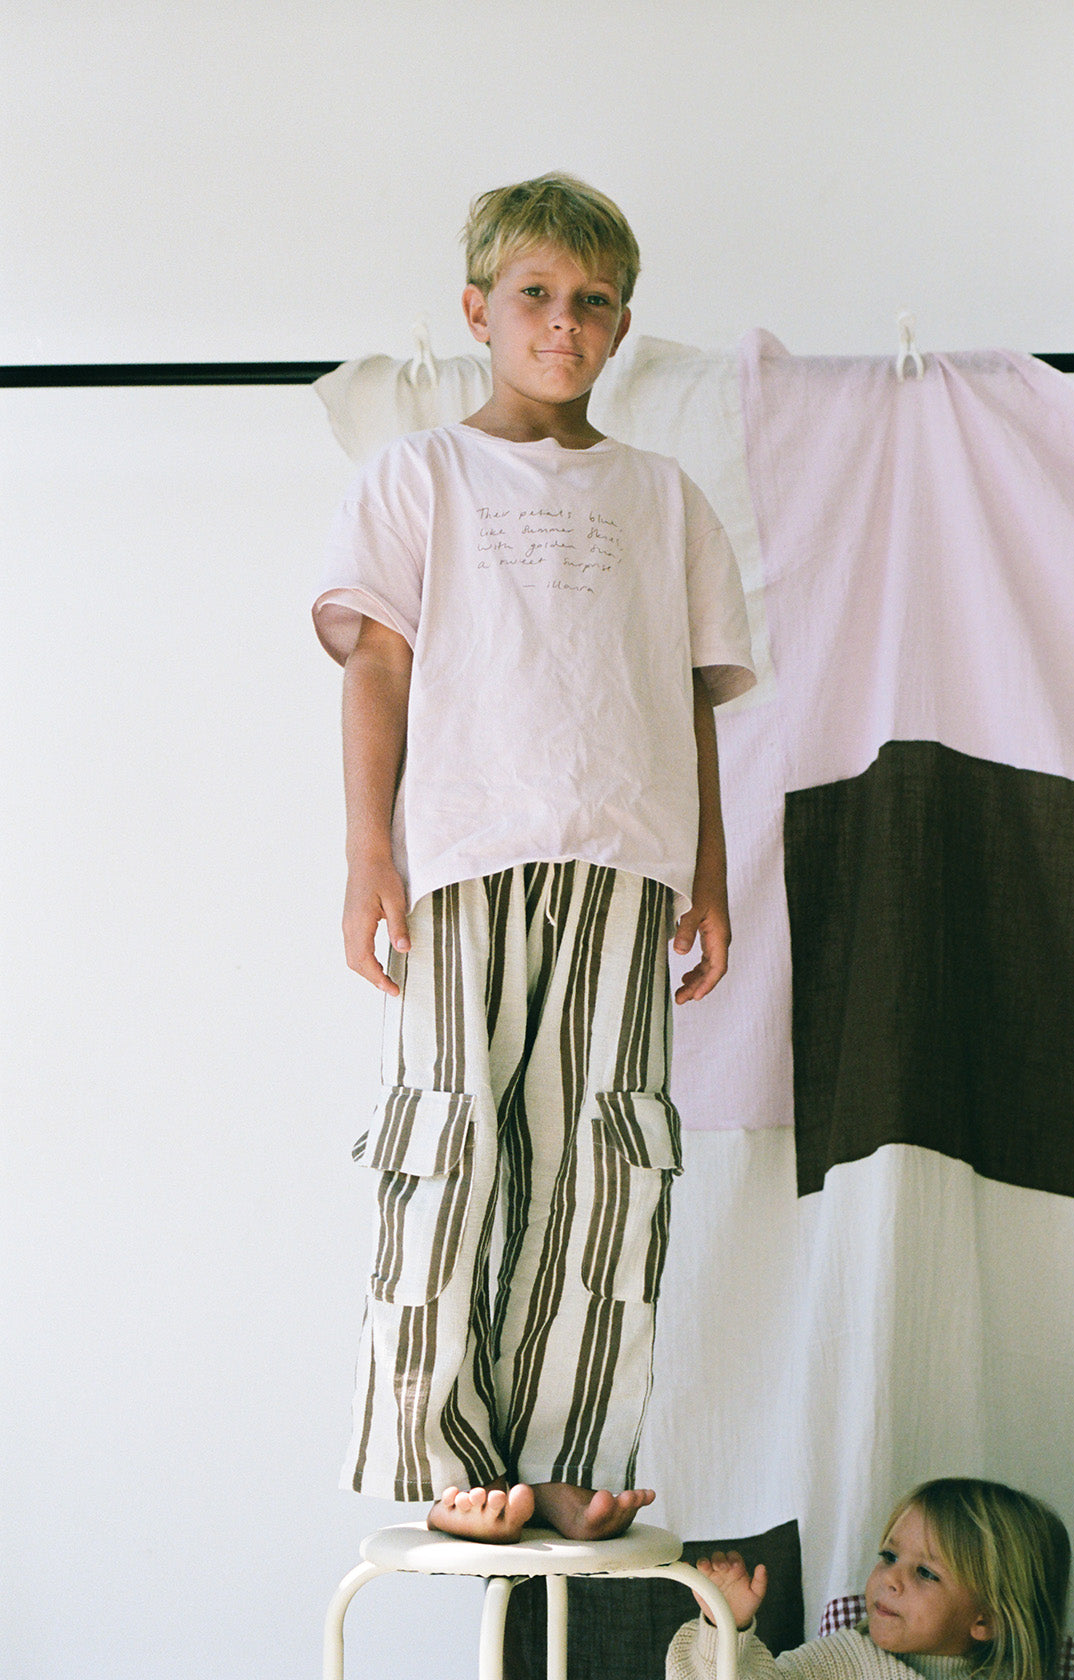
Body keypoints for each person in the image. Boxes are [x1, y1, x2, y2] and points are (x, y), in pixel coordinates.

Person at [313, 172, 754, 1543]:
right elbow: (376, 670)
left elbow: (691, 695)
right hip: (458, 858)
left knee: (600, 1163)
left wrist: (712, 879)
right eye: (537, 298)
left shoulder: (664, 498)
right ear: (479, 311)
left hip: (625, 870)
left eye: (595, 304)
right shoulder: (420, 476)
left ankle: (568, 1449)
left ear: (625, 327)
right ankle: (446, 1453)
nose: (564, 326)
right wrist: (364, 856)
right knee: (449, 1145)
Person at [668, 1477, 1071, 1680]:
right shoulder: (841, 1662)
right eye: (890, 1556)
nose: (890, 1579)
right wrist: (726, 1625)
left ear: (987, 1619)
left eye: (926, 1572)